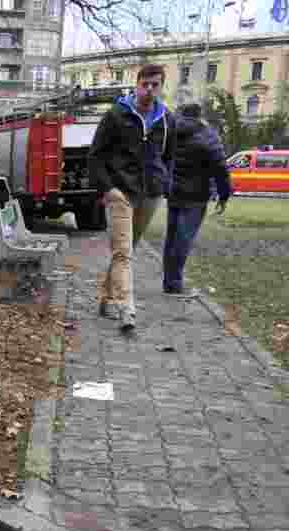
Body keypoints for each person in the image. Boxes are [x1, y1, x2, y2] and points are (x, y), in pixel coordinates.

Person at [88, 64, 177, 332]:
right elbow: (95, 156)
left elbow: (169, 157)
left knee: (126, 251)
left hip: (150, 194)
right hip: (120, 193)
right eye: (144, 84)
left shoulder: (167, 119)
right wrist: (108, 189)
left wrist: (164, 183)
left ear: (161, 87)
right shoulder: (116, 115)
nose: (149, 89)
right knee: (123, 253)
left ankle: (107, 299)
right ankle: (127, 308)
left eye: (155, 85)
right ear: (136, 85)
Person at [163, 102, 231, 296]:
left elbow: (162, 157)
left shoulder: (171, 131)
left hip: (174, 192)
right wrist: (224, 195)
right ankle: (174, 283)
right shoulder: (208, 135)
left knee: (172, 238)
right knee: (184, 239)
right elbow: (220, 168)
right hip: (196, 195)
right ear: (200, 115)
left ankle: (169, 281)